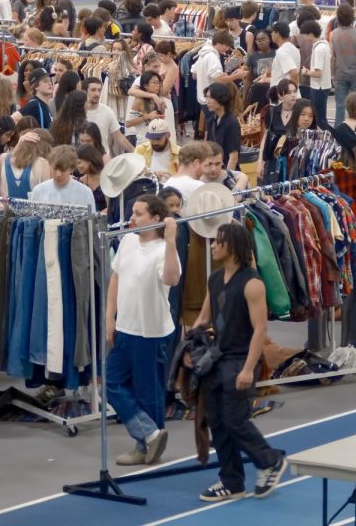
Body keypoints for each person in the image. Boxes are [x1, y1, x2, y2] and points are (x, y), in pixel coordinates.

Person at [192, 222, 288, 502]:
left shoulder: (252, 283)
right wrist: (190, 342)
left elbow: (260, 330)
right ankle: (231, 481)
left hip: (240, 360)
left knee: (236, 420)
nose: (212, 246)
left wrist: (248, 368)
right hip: (217, 360)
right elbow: (204, 318)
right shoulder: (215, 279)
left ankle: (270, 461)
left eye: (216, 242)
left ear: (231, 246)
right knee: (218, 422)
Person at [107, 194, 175, 466]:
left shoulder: (162, 250)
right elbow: (116, 277)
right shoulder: (127, 241)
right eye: (132, 212)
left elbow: (171, 278)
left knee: (150, 393)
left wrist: (171, 240)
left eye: (138, 214)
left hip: (151, 333)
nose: (132, 218)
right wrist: (109, 317)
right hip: (125, 328)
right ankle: (149, 434)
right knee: (112, 382)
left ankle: (145, 445)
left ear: (155, 219)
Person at [31, 145, 97, 211]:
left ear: (71, 169)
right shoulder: (38, 191)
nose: (58, 174)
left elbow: (91, 220)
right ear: (50, 165)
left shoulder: (85, 193)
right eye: (55, 169)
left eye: (63, 170)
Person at [0, 128, 52, 200]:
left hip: (7, 208)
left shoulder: (3, 158)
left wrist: (20, 143)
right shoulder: (42, 163)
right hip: (32, 209)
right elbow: (46, 195)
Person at [204, 82, 241, 171]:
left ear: (221, 99)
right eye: (207, 97)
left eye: (211, 97)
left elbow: (233, 156)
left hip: (226, 170)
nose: (207, 101)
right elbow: (207, 145)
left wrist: (226, 178)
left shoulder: (231, 123)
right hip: (213, 169)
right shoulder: (211, 119)